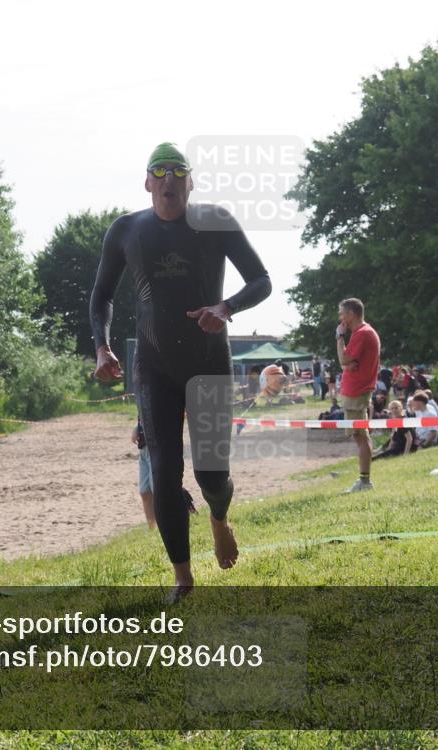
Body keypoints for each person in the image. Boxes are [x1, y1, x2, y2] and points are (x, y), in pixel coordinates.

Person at [88, 142, 271, 602]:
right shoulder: (126, 230)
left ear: (190, 181)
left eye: (178, 171)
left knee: (211, 474)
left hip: (209, 364)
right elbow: (102, 296)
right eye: (159, 171)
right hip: (153, 368)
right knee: (164, 470)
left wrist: (226, 307)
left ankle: (219, 518)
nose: (168, 179)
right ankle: (183, 579)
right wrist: (102, 347)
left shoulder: (217, 222)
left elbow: (262, 280)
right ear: (147, 182)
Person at [335, 298, 381, 493]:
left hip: (357, 392)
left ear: (351, 314)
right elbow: (344, 363)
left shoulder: (362, 333)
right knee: (360, 436)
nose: (340, 317)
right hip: (355, 391)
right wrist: (346, 362)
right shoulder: (361, 333)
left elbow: (343, 358)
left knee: (361, 437)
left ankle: (364, 482)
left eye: (342, 313)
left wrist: (339, 337)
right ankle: (364, 480)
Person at [132, 421, 157, 529]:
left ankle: (163, 528)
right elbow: (143, 415)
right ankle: (152, 528)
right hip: (143, 449)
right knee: (145, 492)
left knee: (157, 491)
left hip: (157, 448)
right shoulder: (142, 403)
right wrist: (137, 428)